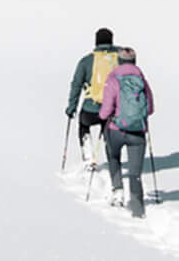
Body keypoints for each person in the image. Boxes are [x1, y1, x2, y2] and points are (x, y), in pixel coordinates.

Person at [98, 45, 155, 217]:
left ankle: (118, 190)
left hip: (116, 130)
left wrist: (104, 116)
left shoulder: (113, 78)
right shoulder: (142, 80)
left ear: (119, 61)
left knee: (113, 156)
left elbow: (106, 111)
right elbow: (150, 109)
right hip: (138, 132)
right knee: (135, 173)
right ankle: (138, 210)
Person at [64, 28, 120, 166]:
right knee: (109, 133)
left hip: (91, 108)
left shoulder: (87, 61)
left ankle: (89, 158)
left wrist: (72, 107)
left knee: (84, 125)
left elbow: (76, 85)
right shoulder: (119, 59)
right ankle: (113, 162)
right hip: (113, 109)